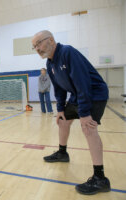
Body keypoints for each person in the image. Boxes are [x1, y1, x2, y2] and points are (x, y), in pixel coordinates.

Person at [32, 30, 110, 195]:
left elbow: (83, 83)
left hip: (94, 93)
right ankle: (62, 153)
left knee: (88, 128)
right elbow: (59, 87)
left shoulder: (68, 52)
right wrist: (60, 108)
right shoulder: (49, 63)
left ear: (51, 40)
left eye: (38, 43)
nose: (37, 48)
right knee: (63, 121)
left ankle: (100, 178)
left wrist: (84, 113)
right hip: (77, 94)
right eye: (34, 46)